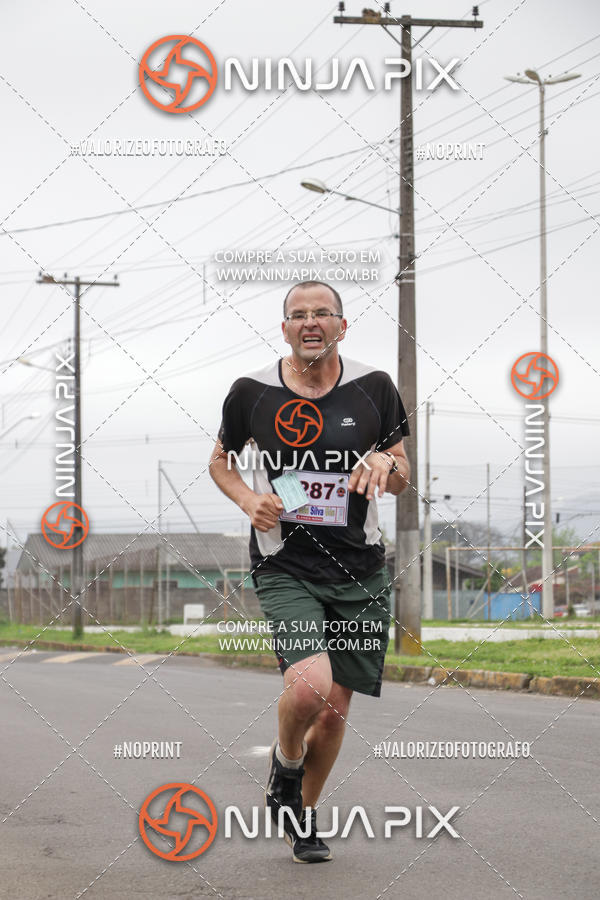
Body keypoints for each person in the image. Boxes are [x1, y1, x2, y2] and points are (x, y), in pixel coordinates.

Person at [209, 280, 410, 862]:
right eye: (299, 315)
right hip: (285, 564)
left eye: (323, 313)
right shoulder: (252, 392)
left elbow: (401, 471)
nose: (310, 322)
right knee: (310, 688)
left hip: (359, 568)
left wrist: (383, 462)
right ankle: (286, 761)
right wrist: (249, 500)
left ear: (342, 326)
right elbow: (221, 462)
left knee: (338, 706)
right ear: (286, 329)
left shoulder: (374, 388)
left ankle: (303, 814)